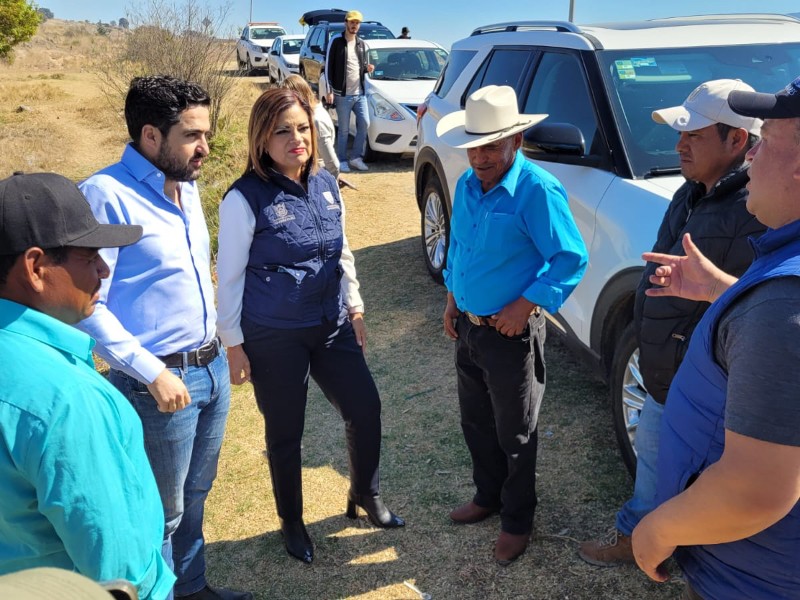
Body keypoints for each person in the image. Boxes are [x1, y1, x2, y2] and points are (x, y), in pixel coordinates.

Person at [578, 79, 765, 566]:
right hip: (667, 370)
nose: (679, 144)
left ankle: (690, 557)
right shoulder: (692, 190)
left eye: (694, 135)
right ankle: (638, 539)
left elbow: (767, 306)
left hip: (714, 385)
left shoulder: (762, 208)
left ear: (737, 140)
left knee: (710, 481)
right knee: (656, 464)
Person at [77, 76, 251, 600]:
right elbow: (87, 304)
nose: (207, 147)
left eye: (207, 133)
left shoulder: (189, 186)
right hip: (156, 383)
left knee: (195, 496)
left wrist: (226, 343)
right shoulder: (105, 196)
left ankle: (190, 589)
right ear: (151, 136)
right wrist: (150, 371)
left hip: (210, 368)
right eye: (193, 135)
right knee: (158, 513)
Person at [216, 88, 404, 565]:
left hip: (329, 323)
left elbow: (341, 250)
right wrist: (233, 344)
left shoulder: (324, 182)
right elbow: (230, 276)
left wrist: (354, 307)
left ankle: (364, 493)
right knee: (285, 432)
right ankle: (292, 521)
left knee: (365, 408)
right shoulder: (243, 198)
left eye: (302, 127)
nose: (296, 138)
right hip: (273, 333)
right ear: (261, 138)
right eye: (282, 130)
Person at [631, 77, 800, 600]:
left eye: (766, 140)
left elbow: (754, 492)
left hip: (747, 578)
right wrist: (724, 292)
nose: (753, 158)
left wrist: (654, 532)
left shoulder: (785, 301)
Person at [0, 172, 174, 600]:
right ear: (36, 267)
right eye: (89, 254)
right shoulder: (66, 400)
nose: (104, 268)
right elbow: (120, 573)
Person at [439, 85, 588, 565]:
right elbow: (460, 248)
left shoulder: (537, 190)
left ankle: (517, 518)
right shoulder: (465, 185)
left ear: (516, 142)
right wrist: (452, 299)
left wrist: (525, 306)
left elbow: (569, 259)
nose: (479, 157)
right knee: (476, 420)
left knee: (516, 432)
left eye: (491, 146)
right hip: (469, 326)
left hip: (510, 336)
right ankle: (488, 495)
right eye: (473, 145)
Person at [324, 9, 374, 173]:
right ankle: (342, 160)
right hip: (341, 94)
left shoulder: (361, 44)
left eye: (357, 23)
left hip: (360, 94)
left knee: (365, 123)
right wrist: (329, 90)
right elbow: (328, 67)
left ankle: (356, 158)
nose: (354, 25)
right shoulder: (336, 41)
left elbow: (359, 68)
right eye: (351, 22)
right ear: (346, 23)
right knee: (344, 130)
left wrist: (367, 68)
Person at [280, 74, 340, 178]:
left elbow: (333, 164)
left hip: (317, 176)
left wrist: (329, 185)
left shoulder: (316, 120)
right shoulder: (309, 114)